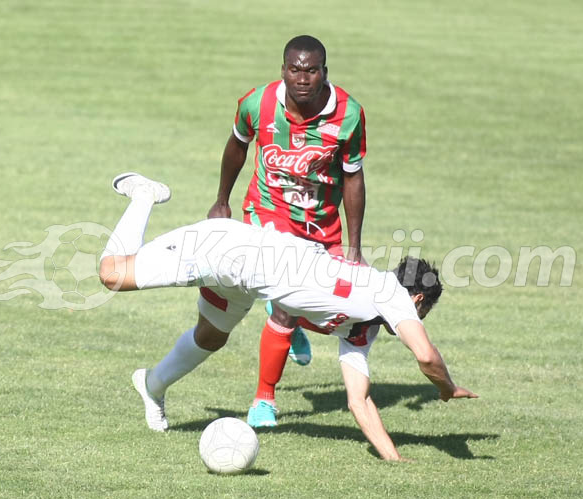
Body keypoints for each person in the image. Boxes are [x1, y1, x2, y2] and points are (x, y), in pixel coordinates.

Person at [100, 173, 477, 461]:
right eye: (423, 311)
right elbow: (426, 356)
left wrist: (395, 459)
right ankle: (144, 195)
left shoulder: (363, 326)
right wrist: (447, 387)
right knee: (112, 274)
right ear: (417, 298)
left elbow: (359, 401)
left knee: (211, 335)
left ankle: (152, 385)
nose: (419, 319)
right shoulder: (391, 293)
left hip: (244, 280)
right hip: (226, 252)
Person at [206, 35, 368, 428]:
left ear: (324, 72)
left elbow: (353, 178)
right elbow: (237, 146)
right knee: (286, 300)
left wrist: (354, 246)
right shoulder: (256, 103)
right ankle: (264, 401)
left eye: (311, 70)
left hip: (321, 224)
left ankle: (290, 317)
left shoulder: (348, 114)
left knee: (342, 308)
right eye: (295, 69)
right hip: (268, 211)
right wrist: (222, 200)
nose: (302, 78)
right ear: (283, 70)